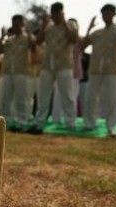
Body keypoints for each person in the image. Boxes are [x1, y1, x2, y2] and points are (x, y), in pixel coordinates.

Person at [82, 4, 116, 136]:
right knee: (91, 97)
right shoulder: (97, 33)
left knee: (112, 99)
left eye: (109, 13)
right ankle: (89, 124)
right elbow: (82, 45)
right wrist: (89, 28)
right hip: (95, 69)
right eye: (104, 14)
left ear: (113, 15)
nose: (106, 16)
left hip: (112, 69)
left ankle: (111, 126)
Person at [28, 2, 78, 134]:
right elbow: (38, 41)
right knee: (43, 96)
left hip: (64, 65)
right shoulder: (48, 27)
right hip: (47, 65)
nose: (54, 17)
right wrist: (43, 25)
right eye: (53, 15)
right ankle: (39, 123)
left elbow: (74, 39)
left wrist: (64, 23)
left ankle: (71, 123)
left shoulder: (71, 24)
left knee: (67, 95)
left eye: (57, 14)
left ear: (61, 13)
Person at [0, 15, 36, 131]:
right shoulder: (9, 39)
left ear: (23, 25)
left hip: (21, 72)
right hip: (8, 72)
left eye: (18, 24)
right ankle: (6, 121)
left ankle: (22, 121)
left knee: (21, 98)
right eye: (13, 24)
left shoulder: (28, 38)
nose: (15, 27)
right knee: (6, 98)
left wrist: (29, 34)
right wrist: (2, 37)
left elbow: (34, 48)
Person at [51, 18, 83, 124]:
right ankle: (56, 119)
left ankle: (70, 120)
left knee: (71, 97)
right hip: (61, 69)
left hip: (74, 72)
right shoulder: (61, 38)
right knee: (58, 96)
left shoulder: (78, 40)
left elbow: (82, 42)